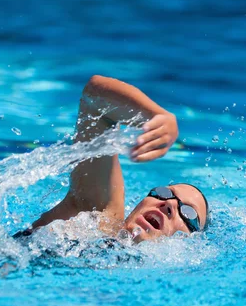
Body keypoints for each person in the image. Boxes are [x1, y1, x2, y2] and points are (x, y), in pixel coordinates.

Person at [14, 75, 208, 243]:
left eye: (189, 214)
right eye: (164, 192)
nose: (170, 204)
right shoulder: (97, 219)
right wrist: (156, 116)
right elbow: (95, 100)